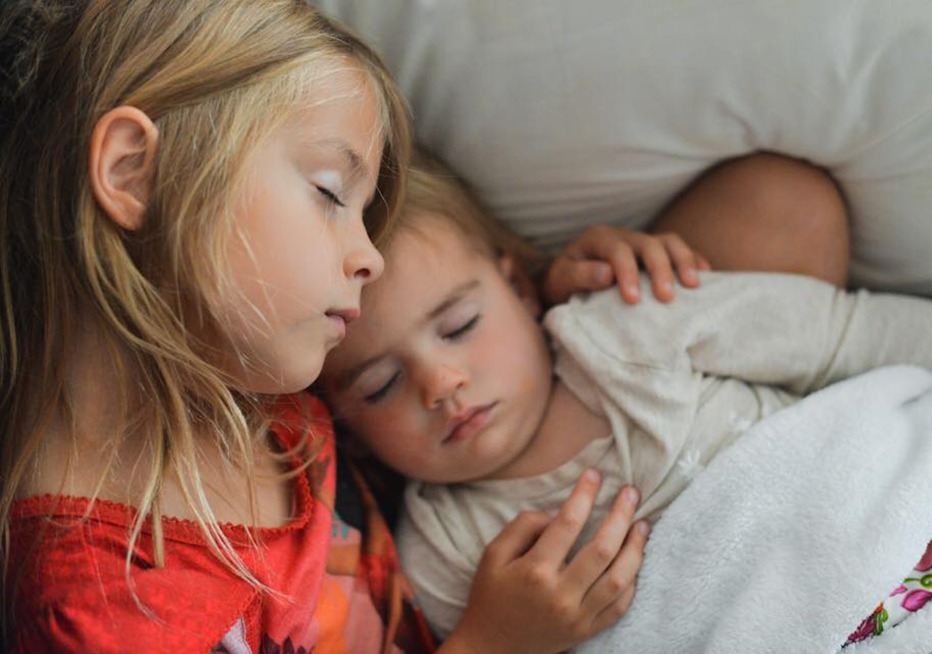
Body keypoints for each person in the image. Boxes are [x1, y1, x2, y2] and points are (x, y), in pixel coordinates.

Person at [0, 2, 652, 652]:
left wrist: (550, 291)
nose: (369, 256)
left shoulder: (261, 389)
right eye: (331, 194)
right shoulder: (106, 615)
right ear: (134, 174)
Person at [317, 149, 932, 643]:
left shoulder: (628, 325)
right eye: (381, 386)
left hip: (907, 517)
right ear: (346, 428)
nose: (441, 383)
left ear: (519, 290)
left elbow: (846, 334)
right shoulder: (448, 551)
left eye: (461, 327)